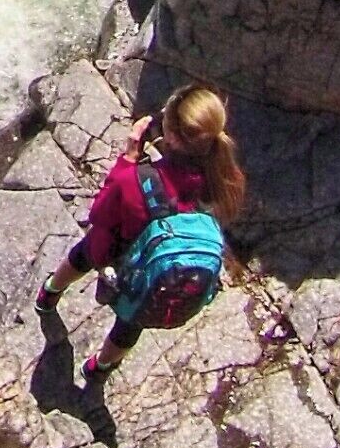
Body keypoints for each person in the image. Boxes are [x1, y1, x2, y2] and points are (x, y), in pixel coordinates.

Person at [35, 83, 247, 385]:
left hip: (116, 256)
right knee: (129, 324)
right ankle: (99, 367)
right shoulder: (219, 181)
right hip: (153, 281)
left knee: (82, 254)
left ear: (170, 136)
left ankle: (51, 292)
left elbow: (100, 213)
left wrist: (129, 159)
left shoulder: (138, 180)